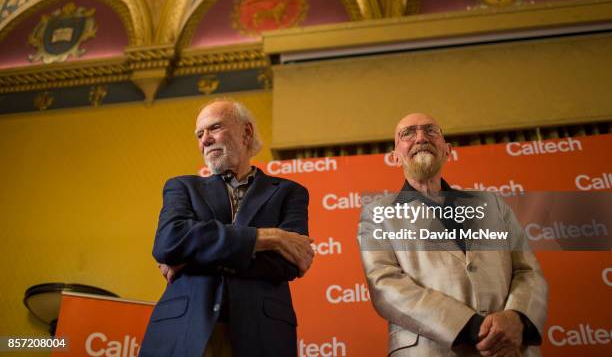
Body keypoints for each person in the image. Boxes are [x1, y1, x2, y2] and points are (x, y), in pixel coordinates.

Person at [358, 113, 548, 356]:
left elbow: (527, 270)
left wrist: (517, 318)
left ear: (447, 150)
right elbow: (384, 284)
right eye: (408, 133)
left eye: (431, 131)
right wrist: (472, 327)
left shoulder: (493, 204)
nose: (421, 138)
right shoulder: (377, 214)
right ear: (395, 157)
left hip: (511, 348)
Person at [140, 99, 314, 357]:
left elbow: (288, 263)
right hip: (186, 330)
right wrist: (269, 237)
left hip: (261, 333)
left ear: (246, 132)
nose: (204, 140)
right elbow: (169, 242)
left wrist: (191, 258)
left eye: (214, 128)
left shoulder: (290, 192)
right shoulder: (182, 187)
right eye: (199, 134)